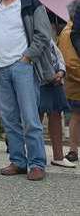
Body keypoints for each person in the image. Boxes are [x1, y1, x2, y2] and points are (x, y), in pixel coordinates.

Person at [0, 0, 54, 181]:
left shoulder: (31, 4)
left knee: (30, 118)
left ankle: (37, 163)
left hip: (23, 66)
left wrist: (27, 57)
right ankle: (18, 161)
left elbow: (43, 35)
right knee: (9, 119)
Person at [39, 40, 73, 168]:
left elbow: (58, 55)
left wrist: (61, 72)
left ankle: (58, 156)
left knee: (56, 115)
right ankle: (36, 156)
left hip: (55, 80)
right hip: (39, 80)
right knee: (36, 118)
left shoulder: (48, 38)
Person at [58, 0, 80, 165]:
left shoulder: (69, 30)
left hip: (74, 80)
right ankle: (73, 150)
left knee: (76, 116)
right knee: (76, 116)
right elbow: (70, 62)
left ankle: (73, 150)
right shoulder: (69, 32)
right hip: (76, 80)